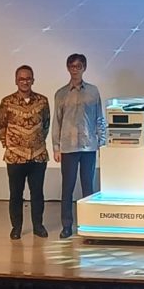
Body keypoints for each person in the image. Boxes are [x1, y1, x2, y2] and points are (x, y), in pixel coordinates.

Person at [52, 53, 107, 239]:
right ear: (68, 68)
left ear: (84, 68)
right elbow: (57, 121)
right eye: (72, 66)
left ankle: (88, 224)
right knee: (67, 187)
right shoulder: (61, 94)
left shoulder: (93, 91)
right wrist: (56, 147)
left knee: (88, 187)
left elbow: (99, 118)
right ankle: (67, 225)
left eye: (78, 66)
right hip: (68, 147)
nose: (75, 70)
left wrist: (102, 142)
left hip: (88, 146)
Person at [0, 64, 50, 240]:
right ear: (16, 81)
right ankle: (16, 228)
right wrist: (8, 144)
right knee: (15, 194)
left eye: (28, 79)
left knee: (37, 194)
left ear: (33, 80)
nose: (25, 82)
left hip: (38, 155)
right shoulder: (7, 102)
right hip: (15, 157)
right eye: (21, 79)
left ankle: (38, 226)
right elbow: (1, 125)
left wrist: (35, 142)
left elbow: (46, 124)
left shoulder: (42, 101)